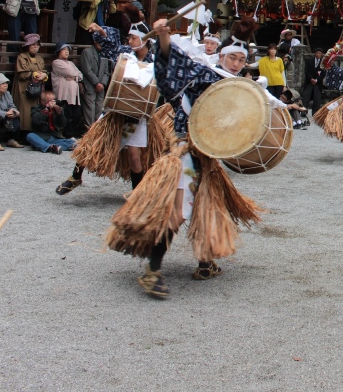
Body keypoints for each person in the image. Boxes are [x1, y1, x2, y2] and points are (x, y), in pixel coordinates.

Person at [106, 20, 262, 299]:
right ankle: (152, 271)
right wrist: (165, 36)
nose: (237, 63)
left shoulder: (239, 87)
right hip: (185, 154)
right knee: (177, 213)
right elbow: (169, 64)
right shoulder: (203, 73)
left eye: (241, 59)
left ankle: (205, 262)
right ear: (221, 56)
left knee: (209, 206)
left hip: (205, 156)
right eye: (232, 57)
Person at [56, 21, 154, 195]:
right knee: (91, 139)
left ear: (145, 40)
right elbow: (110, 43)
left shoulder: (154, 61)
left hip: (136, 113)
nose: (130, 41)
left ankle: (137, 193)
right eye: (129, 37)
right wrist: (101, 30)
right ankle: (76, 176)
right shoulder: (124, 54)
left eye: (133, 38)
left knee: (134, 155)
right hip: (115, 108)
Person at [12, 34, 48, 133]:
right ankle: (23, 133)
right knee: (25, 112)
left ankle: (34, 131)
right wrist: (34, 74)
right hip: (24, 87)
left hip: (37, 88)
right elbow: (22, 73)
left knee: (36, 110)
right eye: (33, 44)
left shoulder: (40, 58)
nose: (36, 46)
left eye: (37, 44)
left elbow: (43, 70)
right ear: (28, 46)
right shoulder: (22, 57)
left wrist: (44, 75)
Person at [79, 35, 113, 127]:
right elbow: (87, 70)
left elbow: (106, 72)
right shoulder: (87, 52)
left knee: (99, 110)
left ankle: (97, 132)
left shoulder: (105, 54)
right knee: (89, 111)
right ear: (95, 42)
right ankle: (89, 133)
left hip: (101, 87)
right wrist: (96, 83)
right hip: (89, 86)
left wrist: (102, 83)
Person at [50, 44, 83, 137]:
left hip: (74, 95)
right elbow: (70, 72)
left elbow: (80, 75)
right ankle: (66, 135)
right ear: (58, 51)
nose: (67, 51)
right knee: (66, 115)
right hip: (63, 95)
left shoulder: (71, 63)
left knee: (76, 115)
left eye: (68, 50)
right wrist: (75, 76)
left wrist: (74, 77)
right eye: (64, 49)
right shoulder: (56, 62)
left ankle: (72, 134)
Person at [302, 48, 326, 115]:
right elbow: (306, 70)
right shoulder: (309, 60)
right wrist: (311, 78)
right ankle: (304, 111)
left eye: (320, 53)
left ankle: (315, 112)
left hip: (318, 82)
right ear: (314, 53)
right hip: (309, 81)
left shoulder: (323, 62)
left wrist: (317, 80)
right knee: (306, 96)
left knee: (317, 98)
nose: (318, 54)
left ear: (322, 54)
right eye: (317, 53)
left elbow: (323, 73)